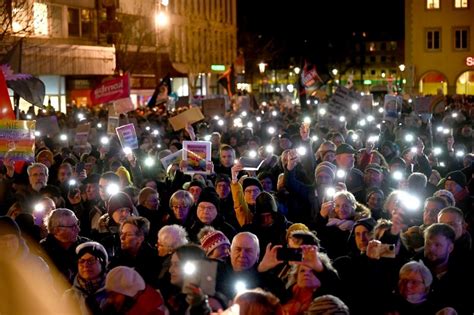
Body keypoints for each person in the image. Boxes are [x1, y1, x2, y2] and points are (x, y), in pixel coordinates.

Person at [40, 208, 89, 284]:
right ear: (57, 230)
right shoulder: (42, 251)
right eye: (72, 227)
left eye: (77, 224)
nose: (78, 229)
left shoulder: (87, 246)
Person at [62, 241, 109, 315]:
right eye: (81, 261)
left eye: (91, 260)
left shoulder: (114, 293)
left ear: (102, 264)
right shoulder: (69, 296)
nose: (86, 265)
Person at [102, 266, 167, 315]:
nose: (110, 300)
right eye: (109, 295)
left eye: (113, 295)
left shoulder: (151, 311)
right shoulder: (136, 307)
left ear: (131, 293)